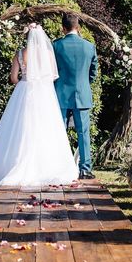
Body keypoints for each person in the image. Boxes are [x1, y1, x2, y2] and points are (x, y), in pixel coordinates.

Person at [0, 24, 79, 185]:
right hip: (44, 93)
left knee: (20, 127)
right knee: (45, 128)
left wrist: (24, 81)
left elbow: (13, 78)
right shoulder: (47, 53)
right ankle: (46, 166)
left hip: (24, 91)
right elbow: (53, 75)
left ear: (26, 37)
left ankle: (13, 165)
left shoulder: (19, 54)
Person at [52, 14, 98, 179]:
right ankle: (85, 169)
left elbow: (52, 71)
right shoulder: (89, 46)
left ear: (63, 28)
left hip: (60, 95)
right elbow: (93, 74)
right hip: (82, 95)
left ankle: (60, 168)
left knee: (60, 132)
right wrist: (83, 85)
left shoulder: (56, 46)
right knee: (83, 133)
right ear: (78, 27)